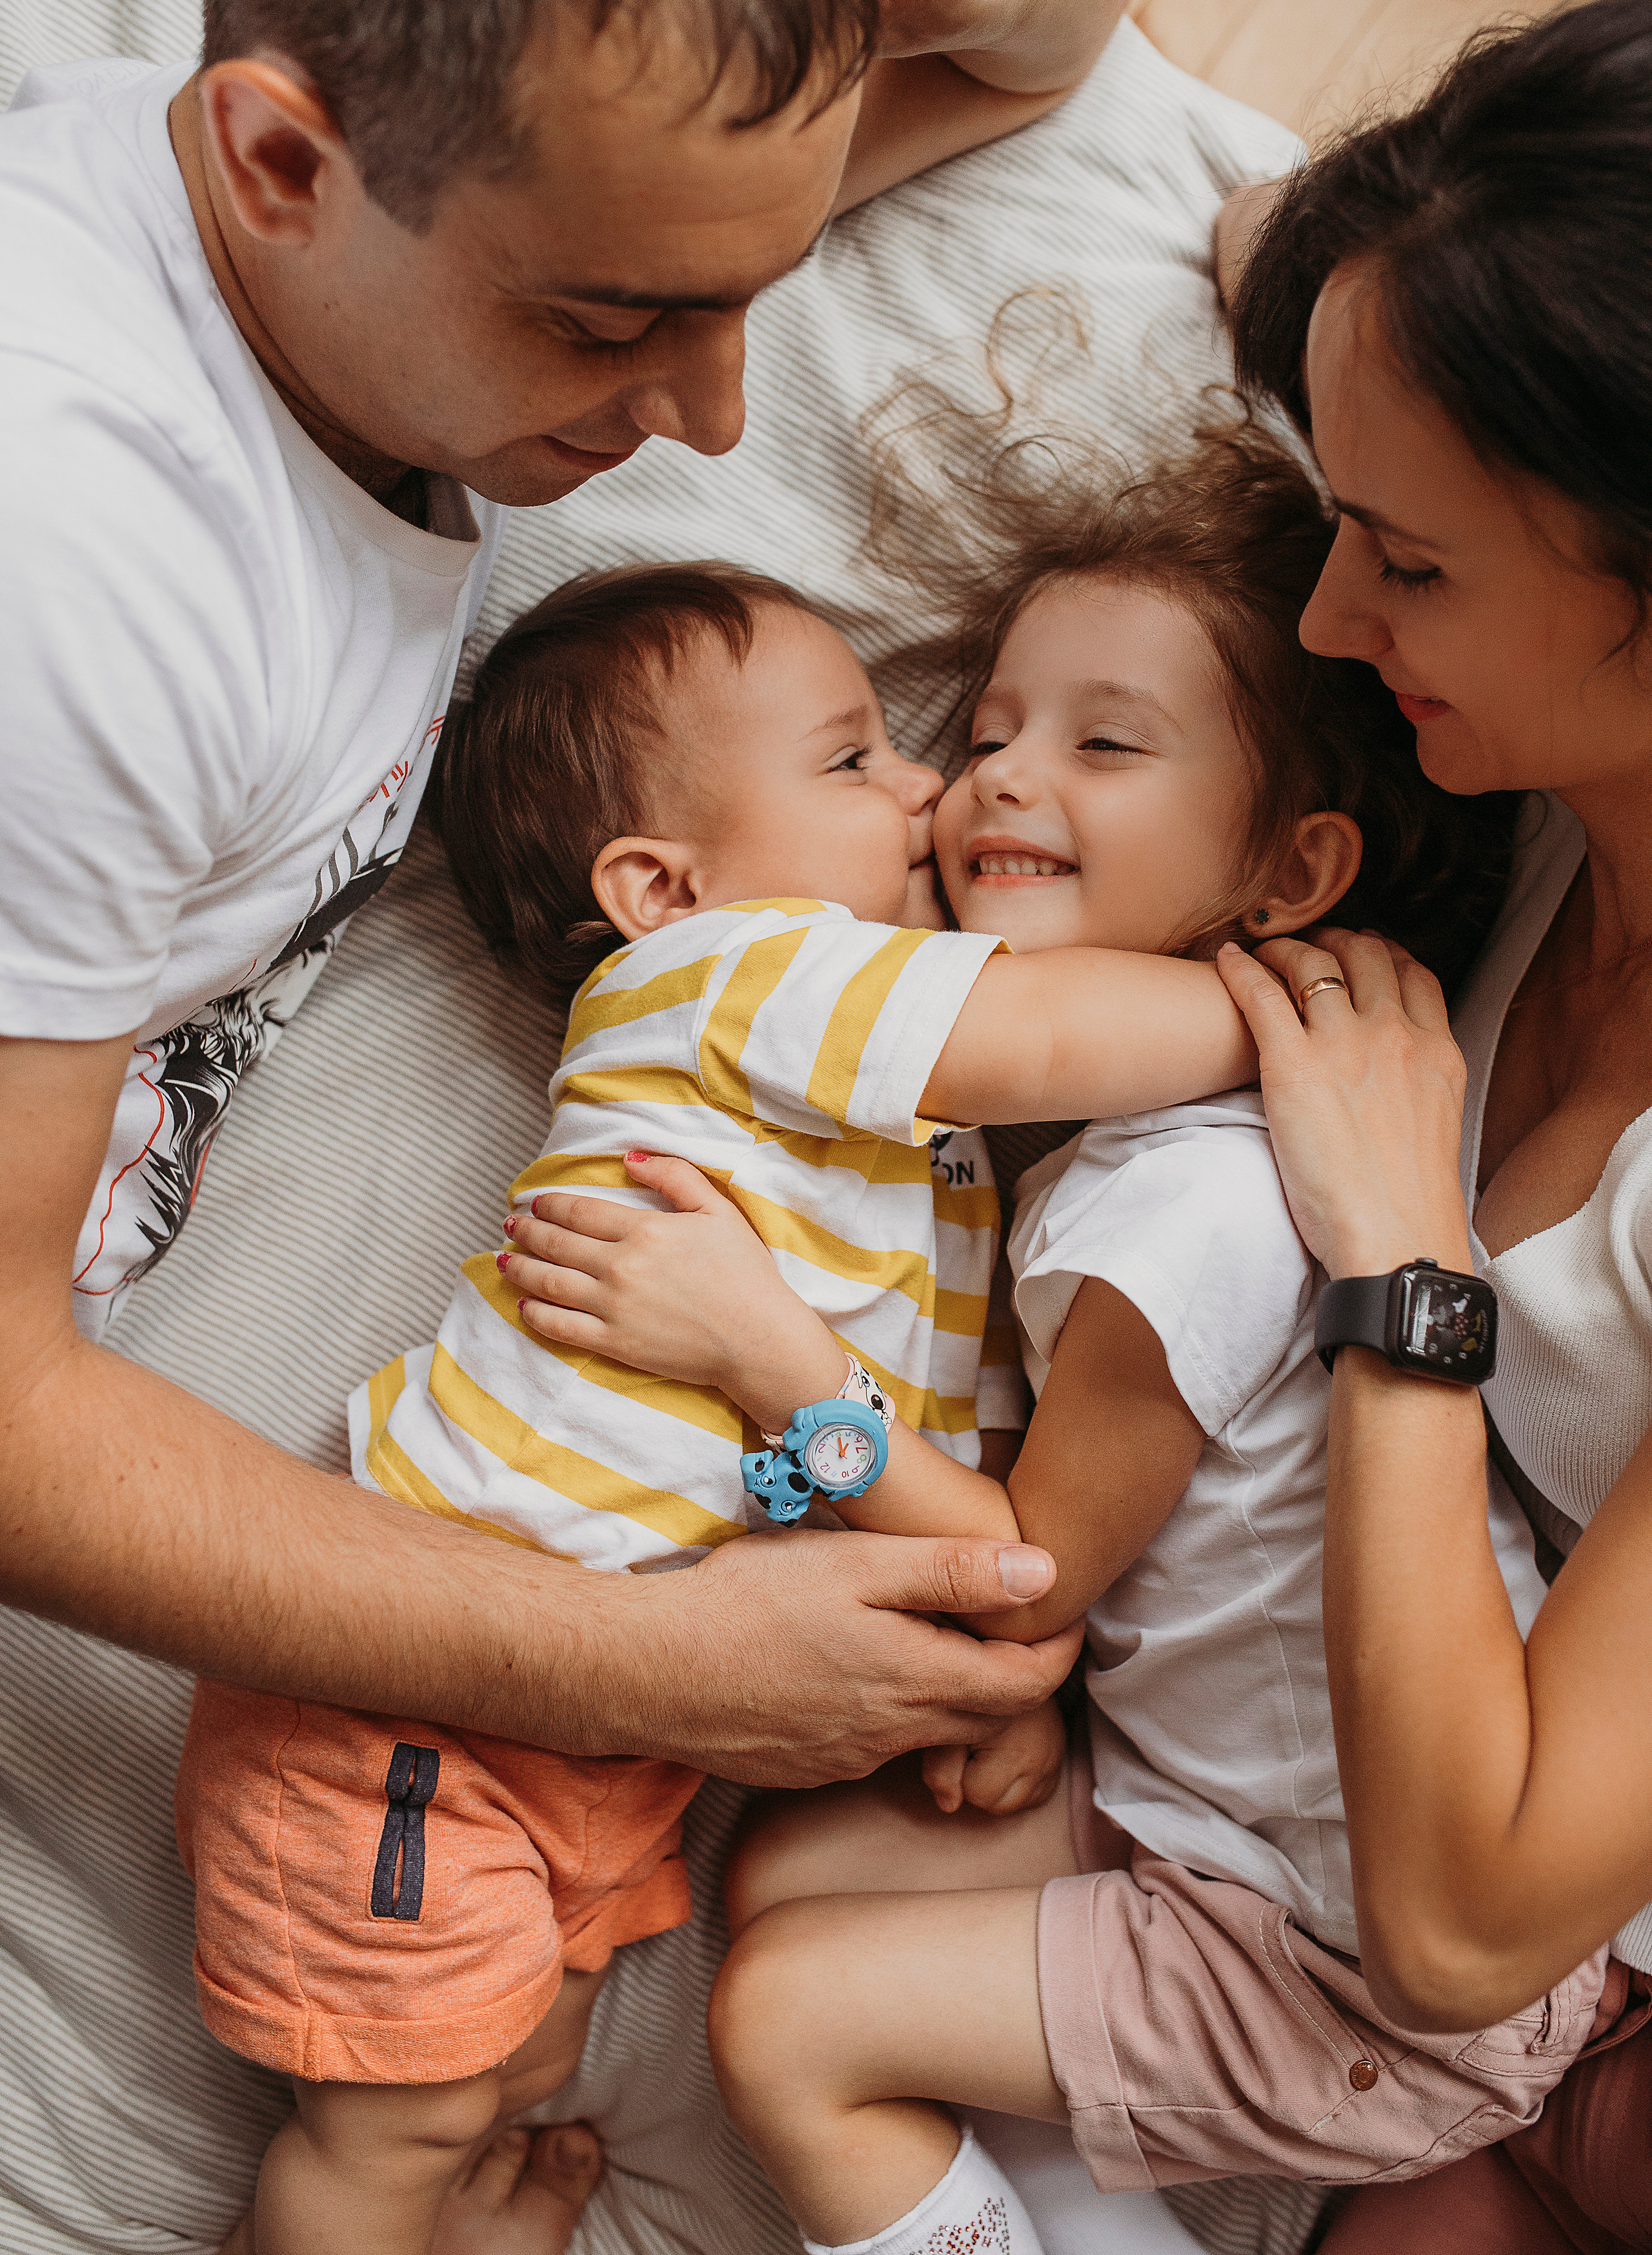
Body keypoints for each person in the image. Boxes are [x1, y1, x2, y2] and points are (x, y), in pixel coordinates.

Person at [0, 0, 1147, 2241]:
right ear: (279, 159)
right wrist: (655, 1675)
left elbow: (1057, 12)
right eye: (622, 324)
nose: (717, 411)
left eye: (749, 289)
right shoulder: (74, 572)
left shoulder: (431, 233)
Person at [494, 423, 1596, 2255]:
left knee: (785, 2023)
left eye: (1105, 744)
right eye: (992, 727)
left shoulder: (1201, 1204)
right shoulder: (1096, 1167)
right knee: (794, 1870)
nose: (991, 775)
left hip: (1352, 1957)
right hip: (1199, 1811)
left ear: (1291, 876)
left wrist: (770, 1356)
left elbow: (1022, 1571)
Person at [181, 552, 1276, 2255]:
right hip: (411, 1707)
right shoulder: (743, 978)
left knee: (515, 2059)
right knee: (398, 2121)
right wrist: (1289, 999)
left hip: (591, 1745)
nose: (928, 785)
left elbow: (936, 1496)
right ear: (663, 887)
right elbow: (1064, 1032)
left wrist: (985, 1691)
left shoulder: (932, 1169)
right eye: (854, 760)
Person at [1194, 0, 1652, 2252]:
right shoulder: (1564, 763)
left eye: (1412, 565)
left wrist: (1409, 1274)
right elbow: (1286, 234)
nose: (1323, 612)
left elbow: (1466, 1918)